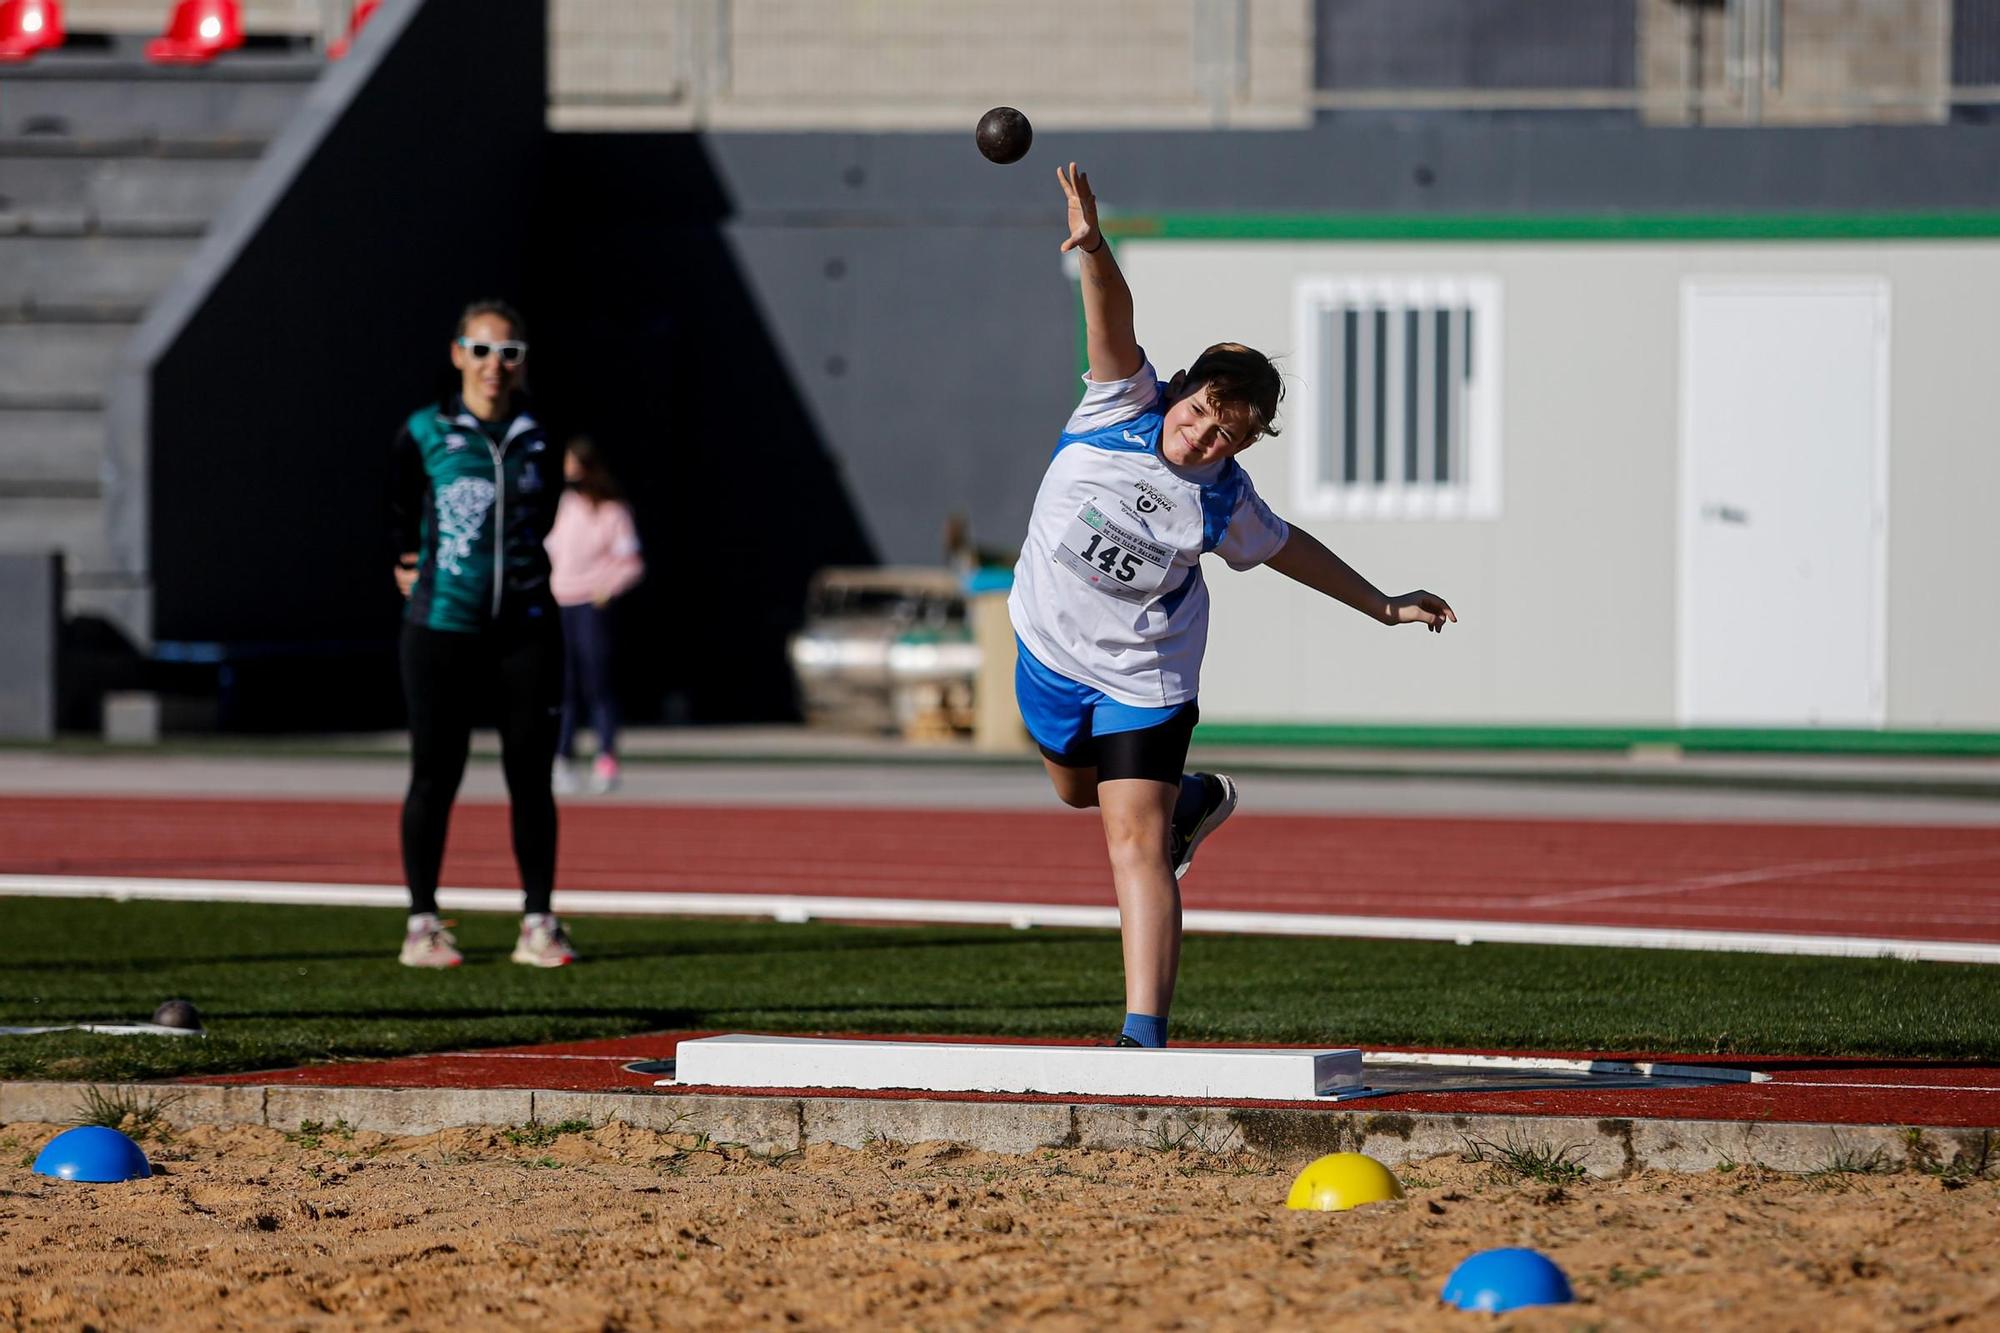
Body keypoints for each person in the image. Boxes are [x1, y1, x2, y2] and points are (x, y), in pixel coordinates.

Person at [1009, 165, 1456, 1048]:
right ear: (1184, 387)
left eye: (1230, 434)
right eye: (1208, 411)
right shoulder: (1119, 405)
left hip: (1146, 675)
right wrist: (1096, 248)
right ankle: (1193, 800)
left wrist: (1382, 604)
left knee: (1131, 844)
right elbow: (1113, 320)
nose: (1207, 436)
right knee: (1075, 792)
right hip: (1049, 656)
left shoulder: (1224, 499)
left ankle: (1143, 1039)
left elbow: (1293, 550)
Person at [388, 299, 578, 969]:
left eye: (509, 353)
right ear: (457, 353)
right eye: (481, 349)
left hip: (525, 627)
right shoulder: (425, 431)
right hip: (442, 628)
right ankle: (422, 922)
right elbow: (400, 508)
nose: (494, 366)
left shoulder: (540, 435)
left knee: (530, 775)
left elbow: (547, 509)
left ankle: (538, 920)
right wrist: (407, 562)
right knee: (436, 774)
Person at [546, 436, 645, 794]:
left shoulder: (613, 511)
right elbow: (553, 548)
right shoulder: (566, 505)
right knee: (563, 686)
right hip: (562, 603)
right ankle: (562, 758)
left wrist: (606, 588)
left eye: (574, 464)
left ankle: (606, 757)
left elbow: (631, 563)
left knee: (598, 683)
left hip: (591, 606)